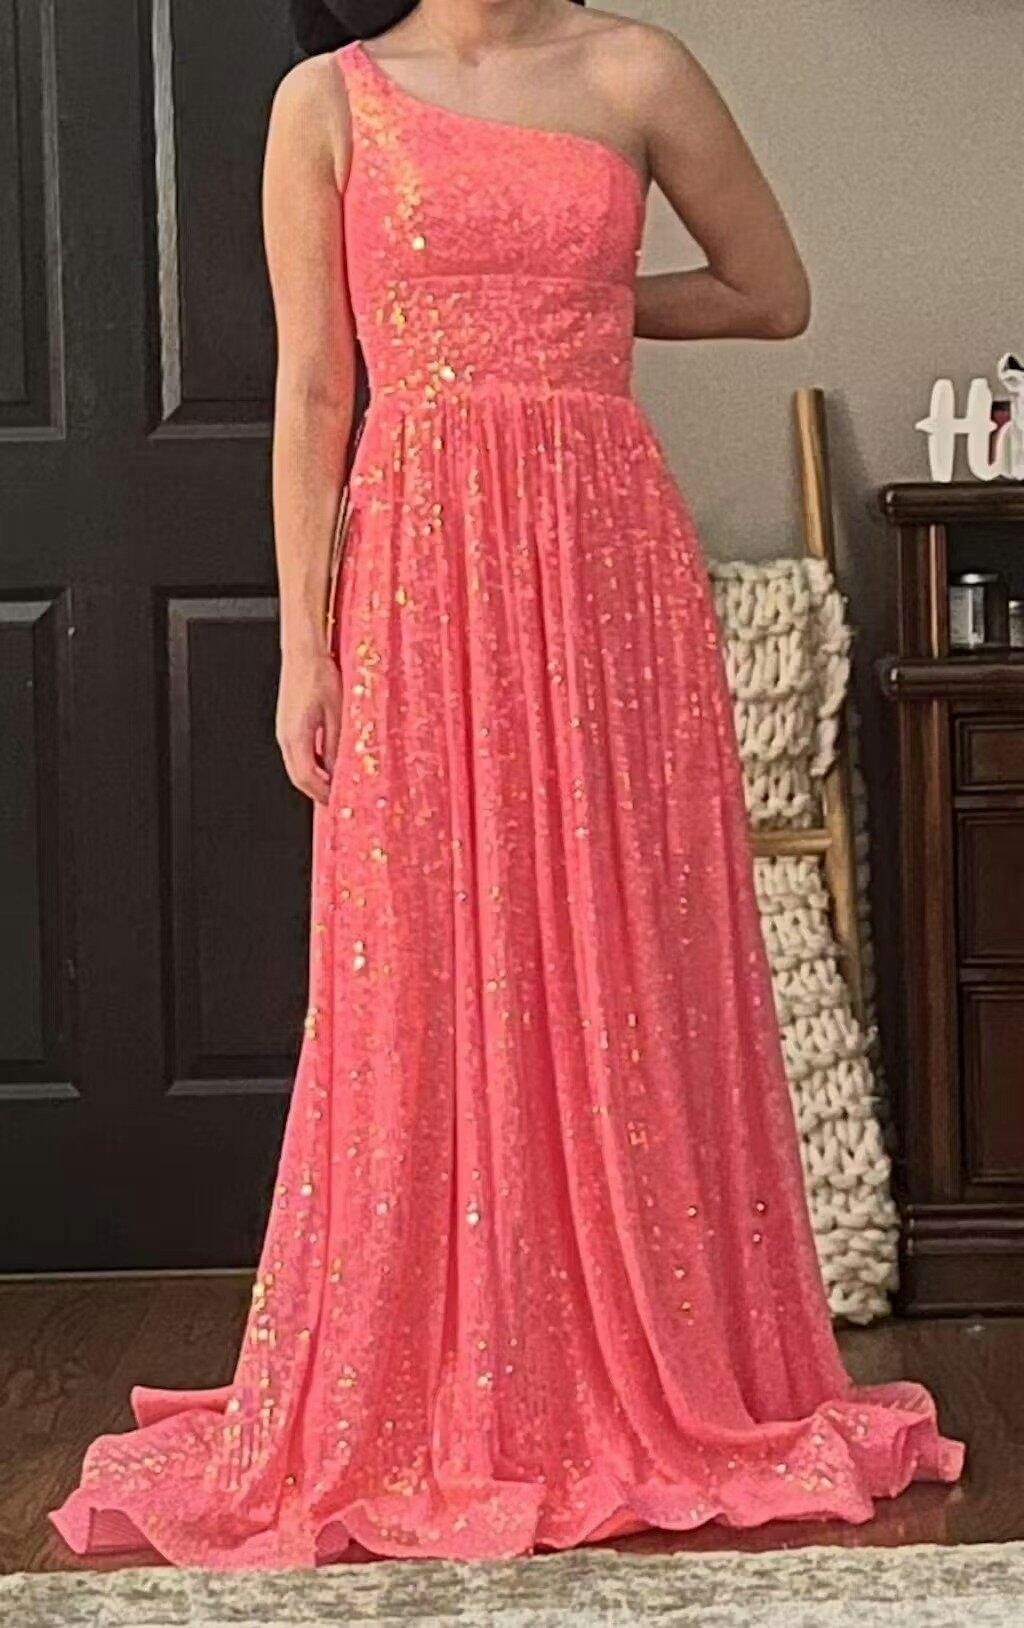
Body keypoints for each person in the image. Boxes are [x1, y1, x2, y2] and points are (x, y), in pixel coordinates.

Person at [50, 0, 964, 1570]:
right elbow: (316, 392)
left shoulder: (637, 69)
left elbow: (774, 291)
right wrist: (304, 646)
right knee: (423, 953)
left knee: (624, 950)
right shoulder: (326, 101)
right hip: (418, 563)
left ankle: (639, 1355)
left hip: (606, 561)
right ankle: (450, 1367)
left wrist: (590, 307)